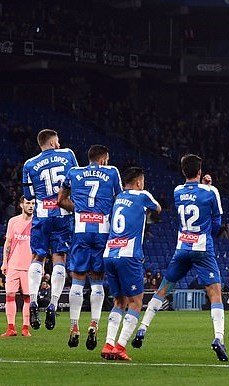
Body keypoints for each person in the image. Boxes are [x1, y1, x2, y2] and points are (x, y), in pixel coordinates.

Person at [132, 154, 228, 361]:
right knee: (215, 293)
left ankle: (142, 329)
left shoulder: (177, 191)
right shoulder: (211, 192)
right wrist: (206, 238)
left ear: (183, 171)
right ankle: (219, 338)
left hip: (182, 247)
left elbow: (192, 195)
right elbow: (217, 222)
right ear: (200, 171)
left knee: (163, 288)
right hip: (203, 248)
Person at [58, 144, 122, 350]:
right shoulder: (112, 172)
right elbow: (121, 200)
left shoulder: (74, 172)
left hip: (80, 230)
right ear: (104, 160)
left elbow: (61, 200)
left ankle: (74, 326)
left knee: (77, 280)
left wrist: (79, 209)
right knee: (97, 281)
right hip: (103, 231)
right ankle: (94, 324)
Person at [100, 167, 161, 361]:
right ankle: (120, 346)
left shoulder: (117, 198)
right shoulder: (142, 195)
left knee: (119, 301)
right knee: (136, 302)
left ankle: (108, 344)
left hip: (110, 252)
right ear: (138, 182)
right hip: (128, 254)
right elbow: (158, 208)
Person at [22, 129, 78, 330]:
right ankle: (53, 303)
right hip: (62, 215)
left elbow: (28, 194)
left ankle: (34, 300)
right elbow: (76, 180)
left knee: (38, 257)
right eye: (58, 140)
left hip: (42, 216)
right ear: (54, 142)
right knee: (59, 258)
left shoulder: (29, 164)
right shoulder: (68, 154)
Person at [2, 196, 35, 337]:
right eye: (28, 203)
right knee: (9, 295)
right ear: (21, 205)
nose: (31, 206)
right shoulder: (13, 221)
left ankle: (25, 328)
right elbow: (8, 243)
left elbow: (41, 247)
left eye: (33, 203)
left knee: (28, 297)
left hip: (30, 266)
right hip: (13, 264)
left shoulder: (37, 222)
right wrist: (4, 262)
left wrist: (40, 265)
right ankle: (11, 328)